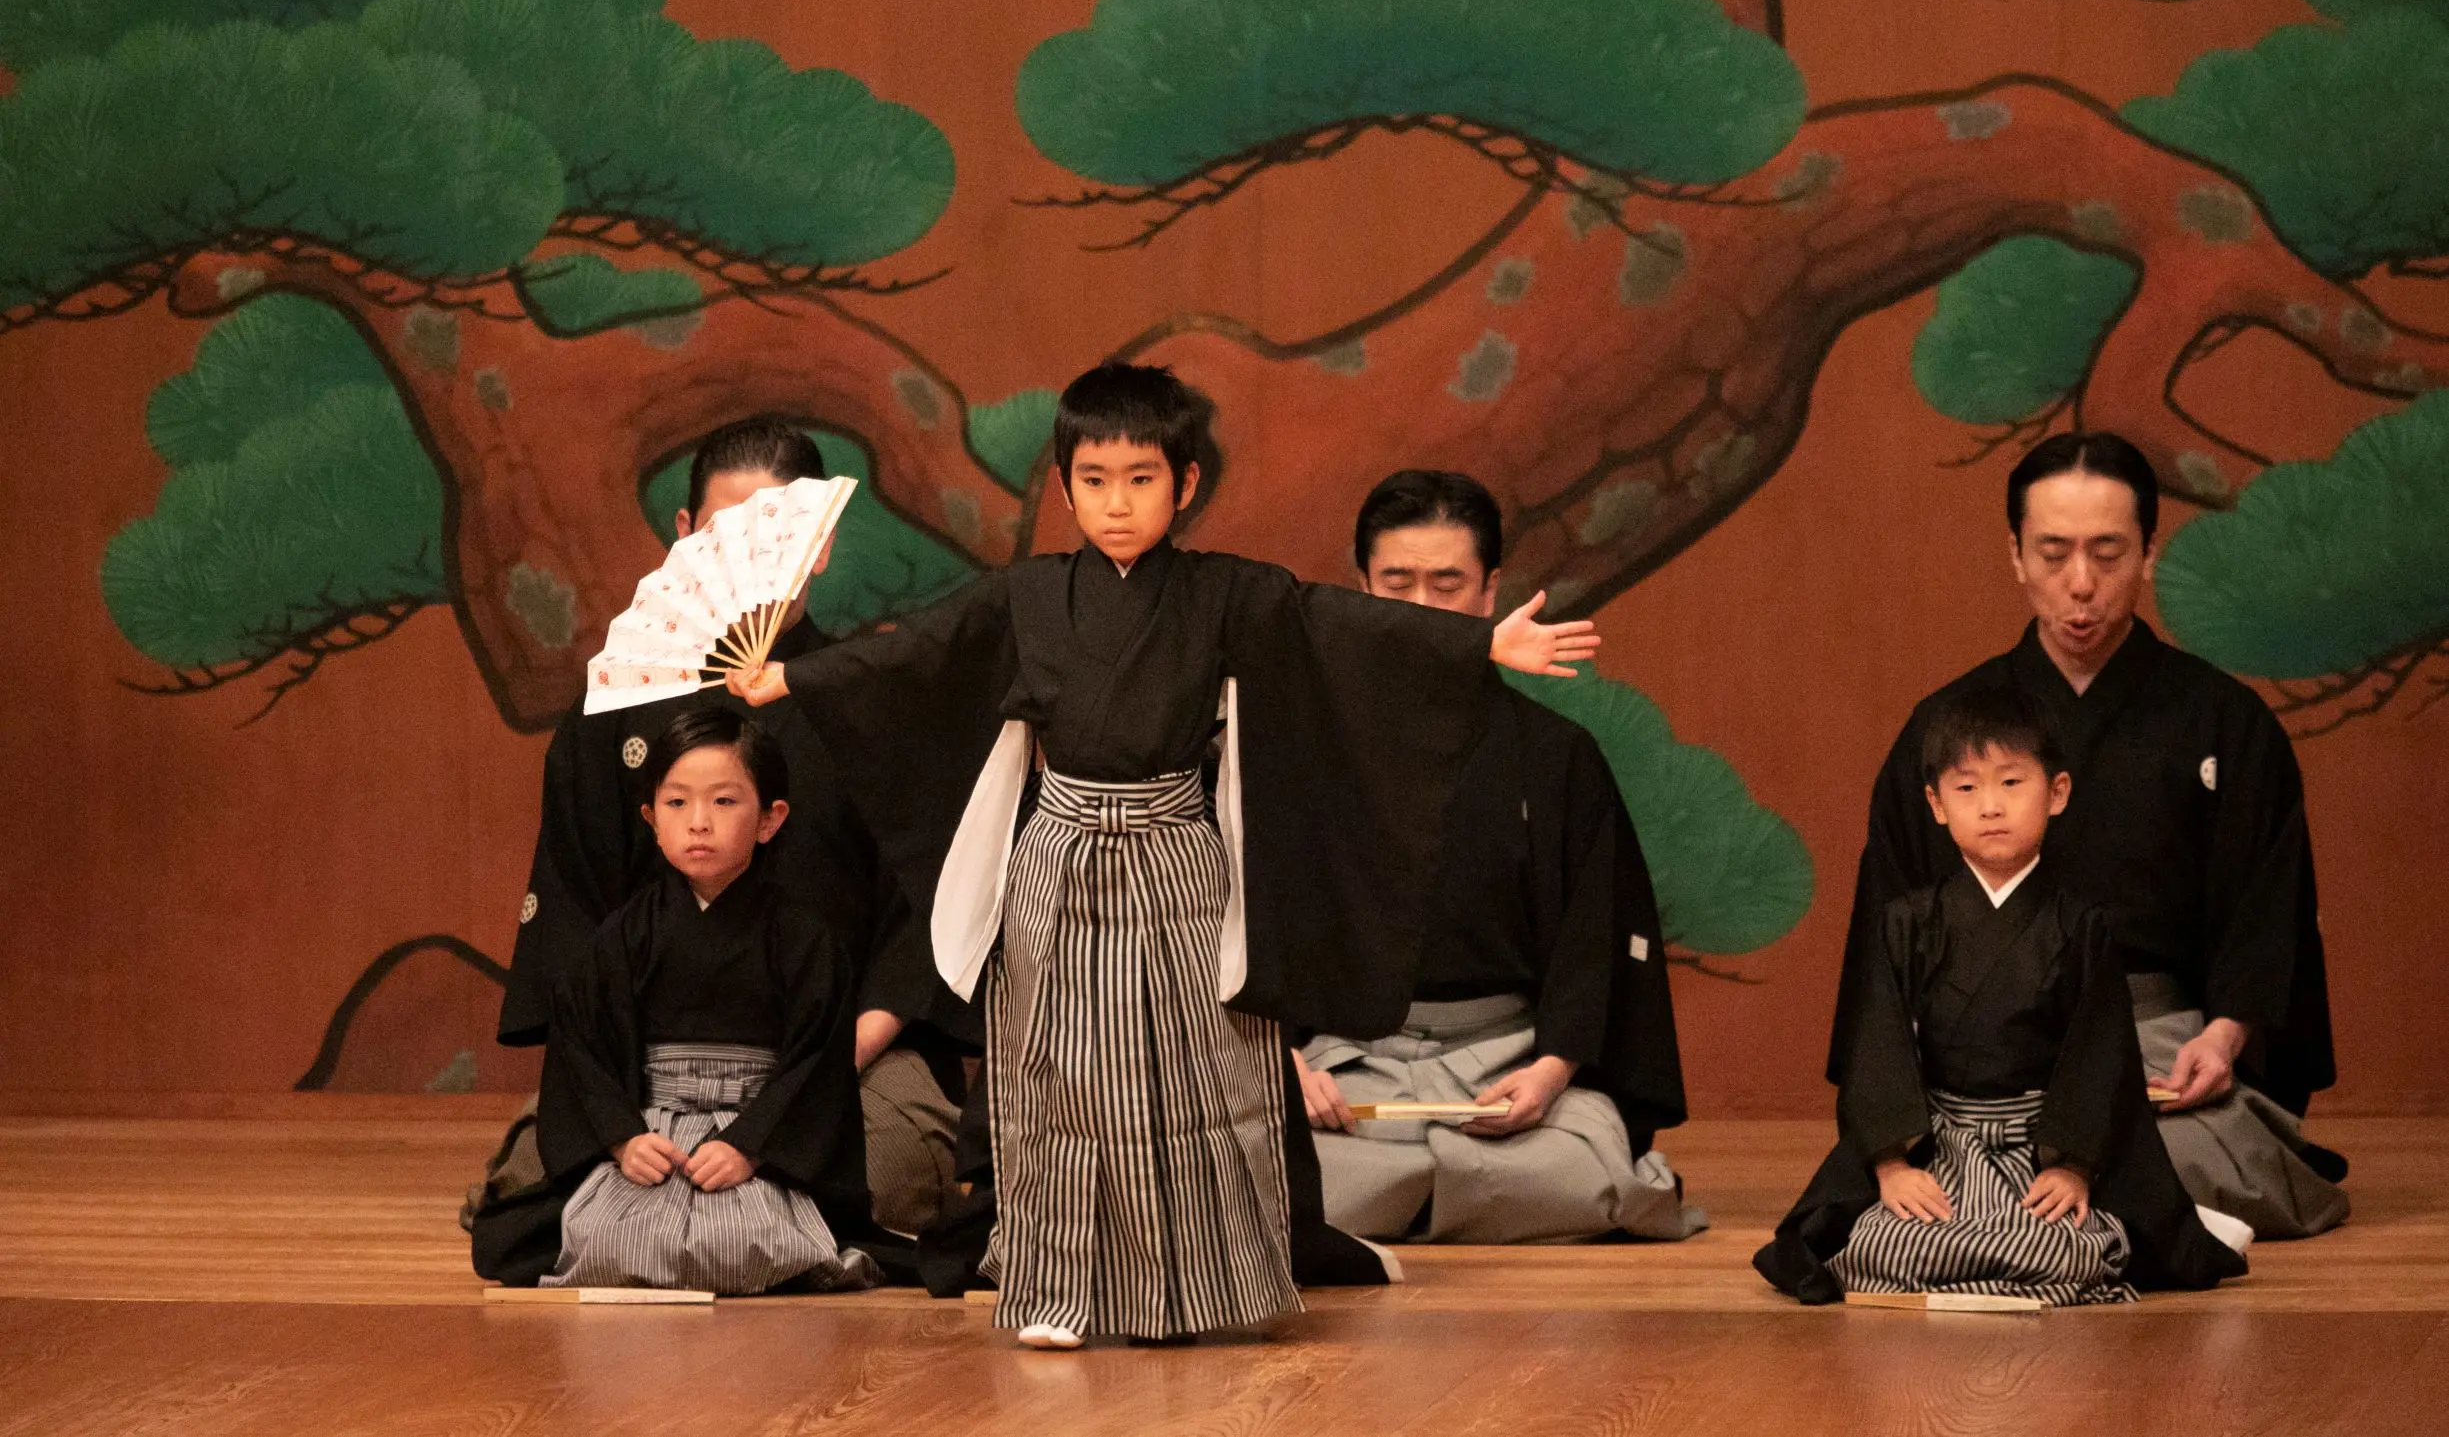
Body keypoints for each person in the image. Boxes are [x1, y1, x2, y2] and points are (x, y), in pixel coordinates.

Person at [731, 363, 1599, 1348]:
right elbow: (916, 652)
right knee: (1057, 1077)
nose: (1116, 503)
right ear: (1065, 488)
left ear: (1184, 484)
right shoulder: (1027, 594)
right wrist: (793, 678)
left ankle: (1197, 1289)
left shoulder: (1227, 593)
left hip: (1179, 856)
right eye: (1094, 479)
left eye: (1140, 478)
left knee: (1202, 1074)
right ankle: (1057, 1290)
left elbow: (1337, 624)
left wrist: (1479, 646)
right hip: (1057, 859)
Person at [469, 420, 968, 1286]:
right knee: (536, 1170)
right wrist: (624, 1113)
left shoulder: (880, 704)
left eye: (774, 536)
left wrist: (811, 1080)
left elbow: (920, 923)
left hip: (843, 1059)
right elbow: (576, 918)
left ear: (819, 546)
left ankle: (674, 1229)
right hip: (651, 1066)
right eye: (722, 532)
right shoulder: (612, 711)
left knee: (890, 1166)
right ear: (683, 535)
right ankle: (743, 1226)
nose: (747, 559)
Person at [1837, 432, 2348, 1240]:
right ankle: (2126, 1227)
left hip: (2156, 1048)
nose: (2080, 583)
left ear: (2147, 552)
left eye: (2107, 553)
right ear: (2015, 555)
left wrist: (2225, 1035)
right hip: (1975, 1069)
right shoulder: (1946, 728)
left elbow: (2266, 914)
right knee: (1914, 1177)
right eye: (2053, 553)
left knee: (2163, 1156)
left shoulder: (2224, 722)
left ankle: (2053, 1219)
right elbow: (1888, 937)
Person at [1289, 470, 1698, 1244]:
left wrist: (1552, 1070)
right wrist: (1288, 1066)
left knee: (1584, 1163)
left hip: (1504, 1060)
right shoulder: (1307, 747)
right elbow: (1251, 922)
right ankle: (1453, 1195)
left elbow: (1594, 932)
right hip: (1348, 1064)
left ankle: (1405, 1195)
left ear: (1489, 593)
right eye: (1396, 584)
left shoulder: (1554, 754)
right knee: (1263, 1165)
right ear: (1360, 588)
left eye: (1446, 584)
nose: (1421, 607)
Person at [1758, 683, 2247, 1305]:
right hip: (1941, 1144)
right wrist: (1891, 1166)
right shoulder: (1908, 921)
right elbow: (1877, 1043)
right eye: (1966, 789)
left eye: (2012, 783)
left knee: (2058, 1245)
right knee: (1883, 1243)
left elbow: (2100, 1055)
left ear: (2057, 792)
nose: (1990, 807)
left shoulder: (2081, 924)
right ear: (1936, 804)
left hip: (2037, 1148)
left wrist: (2073, 1166)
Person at [533, 707, 881, 1294]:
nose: (698, 823)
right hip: (655, 1136)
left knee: (753, 1239)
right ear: (650, 819)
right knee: (597, 1237)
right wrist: (623, 1139)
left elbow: (815, 1066)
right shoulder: (622, 938)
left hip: (758, 1139)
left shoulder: (804, 941)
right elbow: (581, 1050)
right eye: (677, 803)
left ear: (770, 819)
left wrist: (749, 1146)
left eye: (723, 801)